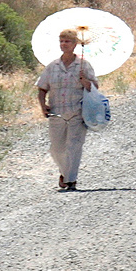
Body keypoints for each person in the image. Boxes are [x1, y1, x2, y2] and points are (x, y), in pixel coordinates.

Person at [35, 28, 97, 192]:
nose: (64, 44)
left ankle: (71, 180)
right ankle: (64, 172)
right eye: (61, 41)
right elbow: (42, 89)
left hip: (77, 112)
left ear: (75, 44)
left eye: (67, 41)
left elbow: (95, 87)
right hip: (56, 113)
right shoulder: (52, 67)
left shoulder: (84, 65)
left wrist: (85, 81)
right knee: (56, 149)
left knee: (74, 146)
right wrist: (43, 106)